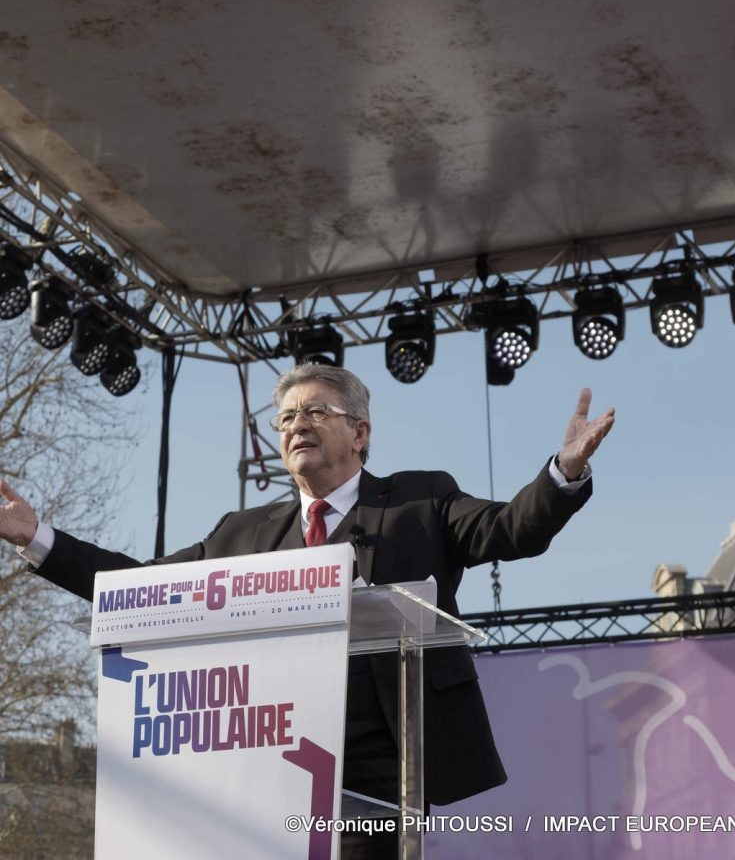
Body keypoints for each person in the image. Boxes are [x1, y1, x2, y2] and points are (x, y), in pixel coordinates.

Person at [0, 363, 614, 859]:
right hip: (268, 767)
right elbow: (145, 588)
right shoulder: (240, 534)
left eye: (318, 411)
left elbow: (510, 530)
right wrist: (39, 538)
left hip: (383, 766)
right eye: (288, 416)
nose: (299, 424)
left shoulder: (421, 500)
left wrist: (564, 472)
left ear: (361, 433)